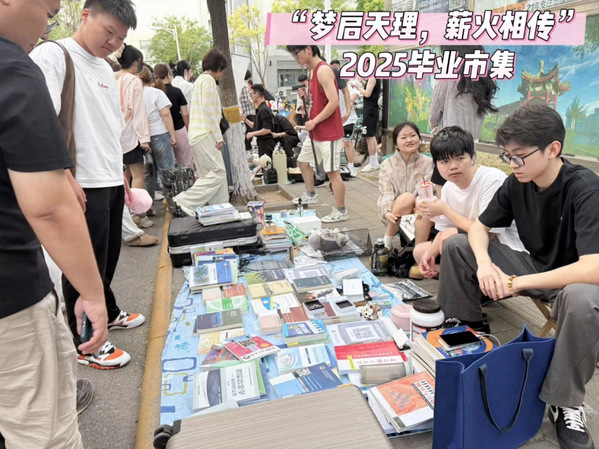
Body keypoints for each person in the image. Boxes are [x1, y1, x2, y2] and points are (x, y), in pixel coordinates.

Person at [438, 103, 599, 449]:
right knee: (458, 246)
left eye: (520, 156)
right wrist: (484, 264)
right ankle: (469, 338)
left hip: (576, 282)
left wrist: (516, 283)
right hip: (536, 267)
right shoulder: (517, 183)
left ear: (552, 149)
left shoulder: (585, 188)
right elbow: (478, 228)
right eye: (507, 155)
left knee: (581, 298)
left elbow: (593, 268)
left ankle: (566, 402)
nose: (512, 164)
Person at [0, 0, 110, 445]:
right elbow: (48, 207)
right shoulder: (15, 67)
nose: (47, 25)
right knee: (42, 432)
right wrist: (93, 293)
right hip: (10, 296)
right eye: (48, 11)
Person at [31, 0, 144, 370]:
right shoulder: (55, 54)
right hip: (81, 179)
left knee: (107, 257)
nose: (113, 43)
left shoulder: (105, 67)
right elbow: (42, 119)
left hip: (108, 176)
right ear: (85, 16)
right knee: (82, 265)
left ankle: (107, 312)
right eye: (108, 31)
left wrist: (122, 173)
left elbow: (109, 126)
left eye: (120, 39)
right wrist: (65, 175)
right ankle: (86, 343)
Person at [413, 126, 525, 278]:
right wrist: (430, 254)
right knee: (420, 252)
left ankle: (467, 278)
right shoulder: (448, 187)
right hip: (468, 242)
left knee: (451, 239)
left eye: (460, 158)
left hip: (505, 248)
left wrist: (445, 210)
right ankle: (456, 274)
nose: (453, 166)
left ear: (472, 157)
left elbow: (487, 233)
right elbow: (445, 230)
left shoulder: (492, 179)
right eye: (445, 161)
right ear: (436, 165)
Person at [286, 45, 348, 223]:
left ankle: (341, 210)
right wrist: (305, 97)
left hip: (329, 132)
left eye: (296, 53)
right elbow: (319, 100)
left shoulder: (323, 70)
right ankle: (311, 194)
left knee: (332, 172)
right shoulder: (312, 71)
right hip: (316, 131)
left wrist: (314, 121)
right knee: (302, 161)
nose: (295, 58)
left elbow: (334, 101)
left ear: (308, 49)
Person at [173, 48, 229, 216]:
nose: (222, 74)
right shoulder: (209, 81)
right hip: (205, 134)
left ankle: (220, 212)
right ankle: (185, 200)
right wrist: (218, 136)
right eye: (222, 70)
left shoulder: (198, 81)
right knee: (218, 173)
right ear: (218, 67)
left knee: (209, 177)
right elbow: (209, 110)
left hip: (196, 134)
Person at [377, 122, 434, 251]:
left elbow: (432, 190)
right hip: (395, 210)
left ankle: (418, 251)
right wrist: (386, 211)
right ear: (396, 144)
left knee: (418, 200)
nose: (409, 140)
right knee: (407, 198)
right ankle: (387, 241)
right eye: (403, 137)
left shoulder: (429, 163)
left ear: (419, 139)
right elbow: (386, 192)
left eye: (413, 135)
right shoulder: (387, 164)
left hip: (421, 212)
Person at [114, 43, 152, 227]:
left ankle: (126, 216)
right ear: (136, 62)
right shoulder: (134, 81)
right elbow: (138, 112)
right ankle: (139, 214)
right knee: (138, 175)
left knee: (125, 176)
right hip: (131, 134)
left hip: (115, 134)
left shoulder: (112, 77)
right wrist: (144, 138)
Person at [429, 45, 498, 141]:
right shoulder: (483, 80)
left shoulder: (448, 77)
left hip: (449, 144)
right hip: (470, 145)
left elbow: (433, 118)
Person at [140, 66, 176, 201]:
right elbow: (166, 114)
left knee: (148, 174)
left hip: (143, 138)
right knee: (167, 170)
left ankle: (148, 204)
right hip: (160, 134)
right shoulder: (156, 93)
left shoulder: (134, 94)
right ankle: (171, 201)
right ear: (151, 78)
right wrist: (172, 135)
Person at [155, 63, 194, 170]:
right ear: (168, 75)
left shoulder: (155, 93)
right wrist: (188, 128)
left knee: (168, 167)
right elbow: (185, 113)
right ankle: (188, 180)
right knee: (185, 162)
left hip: (161, 132)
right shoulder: (176, 91)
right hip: (179, 130)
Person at [354, 75, 381, 173]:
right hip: (372, 110)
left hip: (370, 111)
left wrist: (357, 87)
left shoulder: (372, 78)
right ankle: (374, 161)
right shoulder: (374, 78)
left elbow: (367, 94)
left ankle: (373, 163)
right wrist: (362, 82)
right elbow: (369, 87)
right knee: (371, 136)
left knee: (369, 137)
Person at [243, 84, 276, 159]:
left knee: (267, 164)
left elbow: (267, 129)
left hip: (266, 144)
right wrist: (245, 119)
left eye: (252, 94)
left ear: (257, 95)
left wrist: (252, 133)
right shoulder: (260, 108)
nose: (251, 97)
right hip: (262, 143)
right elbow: (256, 126)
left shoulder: (263, 110)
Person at [239, 70, 254, 152]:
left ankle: (247, 147)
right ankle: (247, 148)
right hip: (249, 111)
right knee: (250, 130)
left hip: (244, 111)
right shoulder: (244, 86)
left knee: (248, 130)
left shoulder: (240, 84)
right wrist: (255, 103)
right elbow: (248, 100)